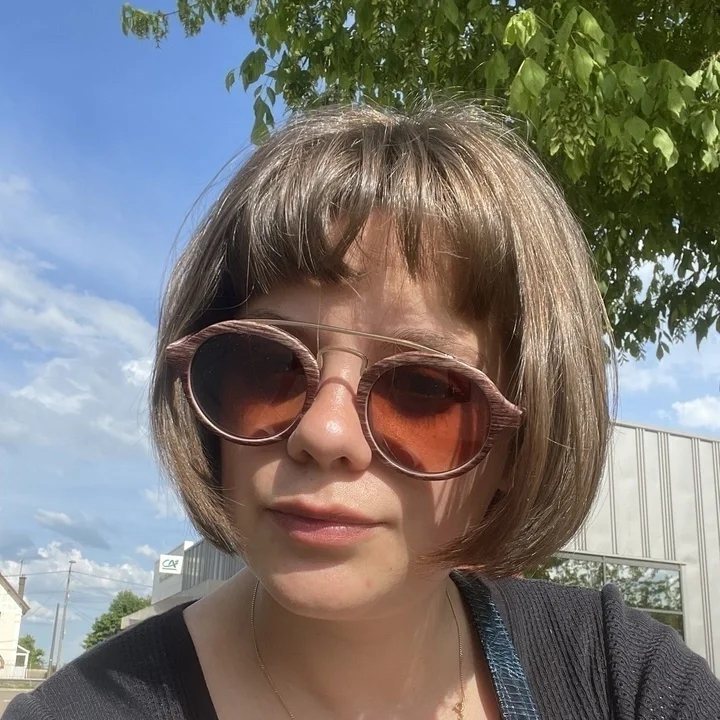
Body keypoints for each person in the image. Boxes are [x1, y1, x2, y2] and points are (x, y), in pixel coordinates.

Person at [8, 102, 720, 720]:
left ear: (520, 443)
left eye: (425, 388)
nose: (324, 433)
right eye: (268, 364)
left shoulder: (619, 674)